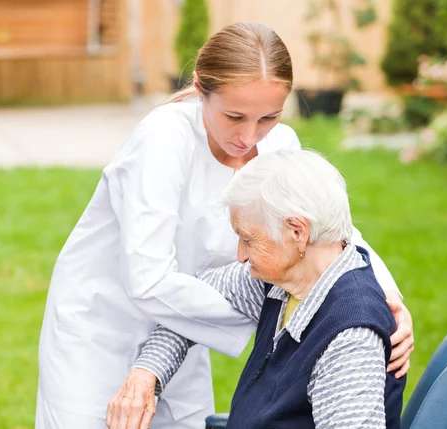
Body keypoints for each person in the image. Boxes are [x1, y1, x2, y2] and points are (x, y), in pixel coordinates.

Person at [35, 22, 413, 429]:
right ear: (200, 89)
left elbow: (333, 233)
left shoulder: (279, 145)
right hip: (101, 329)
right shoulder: (162, 141)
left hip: (183, 322)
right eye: (234, 116)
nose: (249, 136)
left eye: (268, 116)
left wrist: (387, 300)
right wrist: (277, 309)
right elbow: (147, 281)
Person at [108, 150, 407, 429]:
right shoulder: (280, 282)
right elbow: (185, 309)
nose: (240, 255)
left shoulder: (349, 339)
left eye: (248, 239)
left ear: (297, 232)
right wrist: (146, 374)